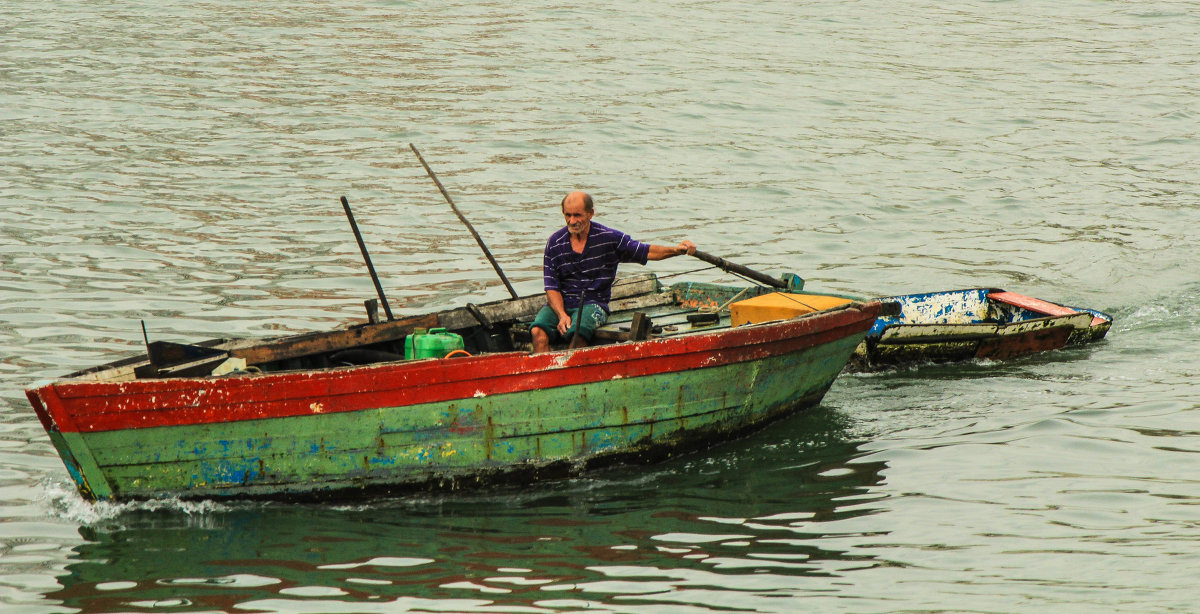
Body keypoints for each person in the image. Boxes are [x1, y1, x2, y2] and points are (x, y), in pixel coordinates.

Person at [530, 191, 696, 353]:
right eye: (568, 215)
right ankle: (543, 375)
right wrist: (562, 315)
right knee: (538, 332)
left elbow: (645, 251)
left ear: (590, 214)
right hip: (561, 304)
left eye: (578, 215)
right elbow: (551, 286)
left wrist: (676, 250)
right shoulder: (554, 243)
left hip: (593, 304)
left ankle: (573, 373)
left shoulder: (608, 238)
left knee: (578, 333)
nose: (572, 221)